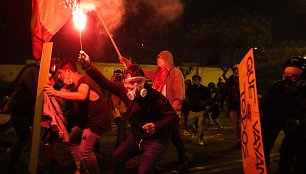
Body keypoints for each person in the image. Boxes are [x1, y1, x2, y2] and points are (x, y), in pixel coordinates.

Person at [78, 51, 179, 174]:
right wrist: (88, 66)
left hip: (157, 139)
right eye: (131, 82)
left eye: (139, 82)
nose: (135, 86)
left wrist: (156, 126)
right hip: (137, 137)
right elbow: (104, 82)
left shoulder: (156, 97)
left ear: (144, 82)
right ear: (125, 83)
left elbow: (173, 118)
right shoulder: (123, 90)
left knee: (143, 172)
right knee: (117, 156)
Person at [44, 58, 111, 174]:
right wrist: (47, 88)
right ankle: (82, 169)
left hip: (95, 122)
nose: (59, 77)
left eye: (60, 73)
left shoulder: (84, 80)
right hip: (85, 121)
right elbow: (59, 97)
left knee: (85, 151)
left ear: (68, 72)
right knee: (72, 141)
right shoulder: (69, 85)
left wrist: (55, 92)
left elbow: (82, 96)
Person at [261, 57, 306, 174]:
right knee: (262, 146)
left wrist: (300, 123)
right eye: (285, 74)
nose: (287, 79)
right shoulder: (275, 88)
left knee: (292, 147)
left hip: (295, 122)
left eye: (293, 76)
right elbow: (264, 107)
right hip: (274, 119)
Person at [143, 50, 188, 166]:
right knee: (156, 136)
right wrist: (127, 63)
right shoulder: (156, 73)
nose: (158, 60)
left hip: (170, 110)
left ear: (167, 60)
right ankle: (153, 163)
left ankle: (183, 159)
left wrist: (172, 112)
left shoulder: (175, 73)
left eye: (161, 58)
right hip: (157, 110)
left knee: (174, 137)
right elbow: (142, 73)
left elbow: (179, 95)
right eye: (157, 58)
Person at [2, 63, 39, 174]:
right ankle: (11, 165)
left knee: (32, 135)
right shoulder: (32, 71)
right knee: (23, 137)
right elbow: (34, 89)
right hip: (19, 109)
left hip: (26, 109)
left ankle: (23, 160)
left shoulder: (35, 71)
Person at [186, 75, 211, 145]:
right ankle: (195, 132)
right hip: (192, 110)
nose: (194, 81)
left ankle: (200, 139)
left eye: (196, 80)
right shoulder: (190, 88)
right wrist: (187, 101)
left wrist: (204, 102)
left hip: (201, 110)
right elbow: (186, 95)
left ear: (199, 80)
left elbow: (208, 97)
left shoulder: (204, 89)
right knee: (189, 124)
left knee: (201, 126)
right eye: (193, 80)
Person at [110, 68, 128, 147]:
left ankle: (119, 146)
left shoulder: (125, 83)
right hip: (115, 109)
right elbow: (107, 92)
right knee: (121, 127)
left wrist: (124, 81)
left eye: (119, 74)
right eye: (116, 74)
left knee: (121, 128)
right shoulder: (112, 83)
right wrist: (111, 81)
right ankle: (126, 143)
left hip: (124, 109)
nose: (118, 76)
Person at [224, 64, 241, 146]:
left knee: (244, 123)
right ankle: (238, 140)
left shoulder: (244, 79)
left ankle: (244, 139)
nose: (236, 71)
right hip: (233, 105)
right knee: (235, 123)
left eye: (238, 69)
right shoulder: (229, 80)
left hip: (242, 105)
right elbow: (225, 92)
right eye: (235, 69)